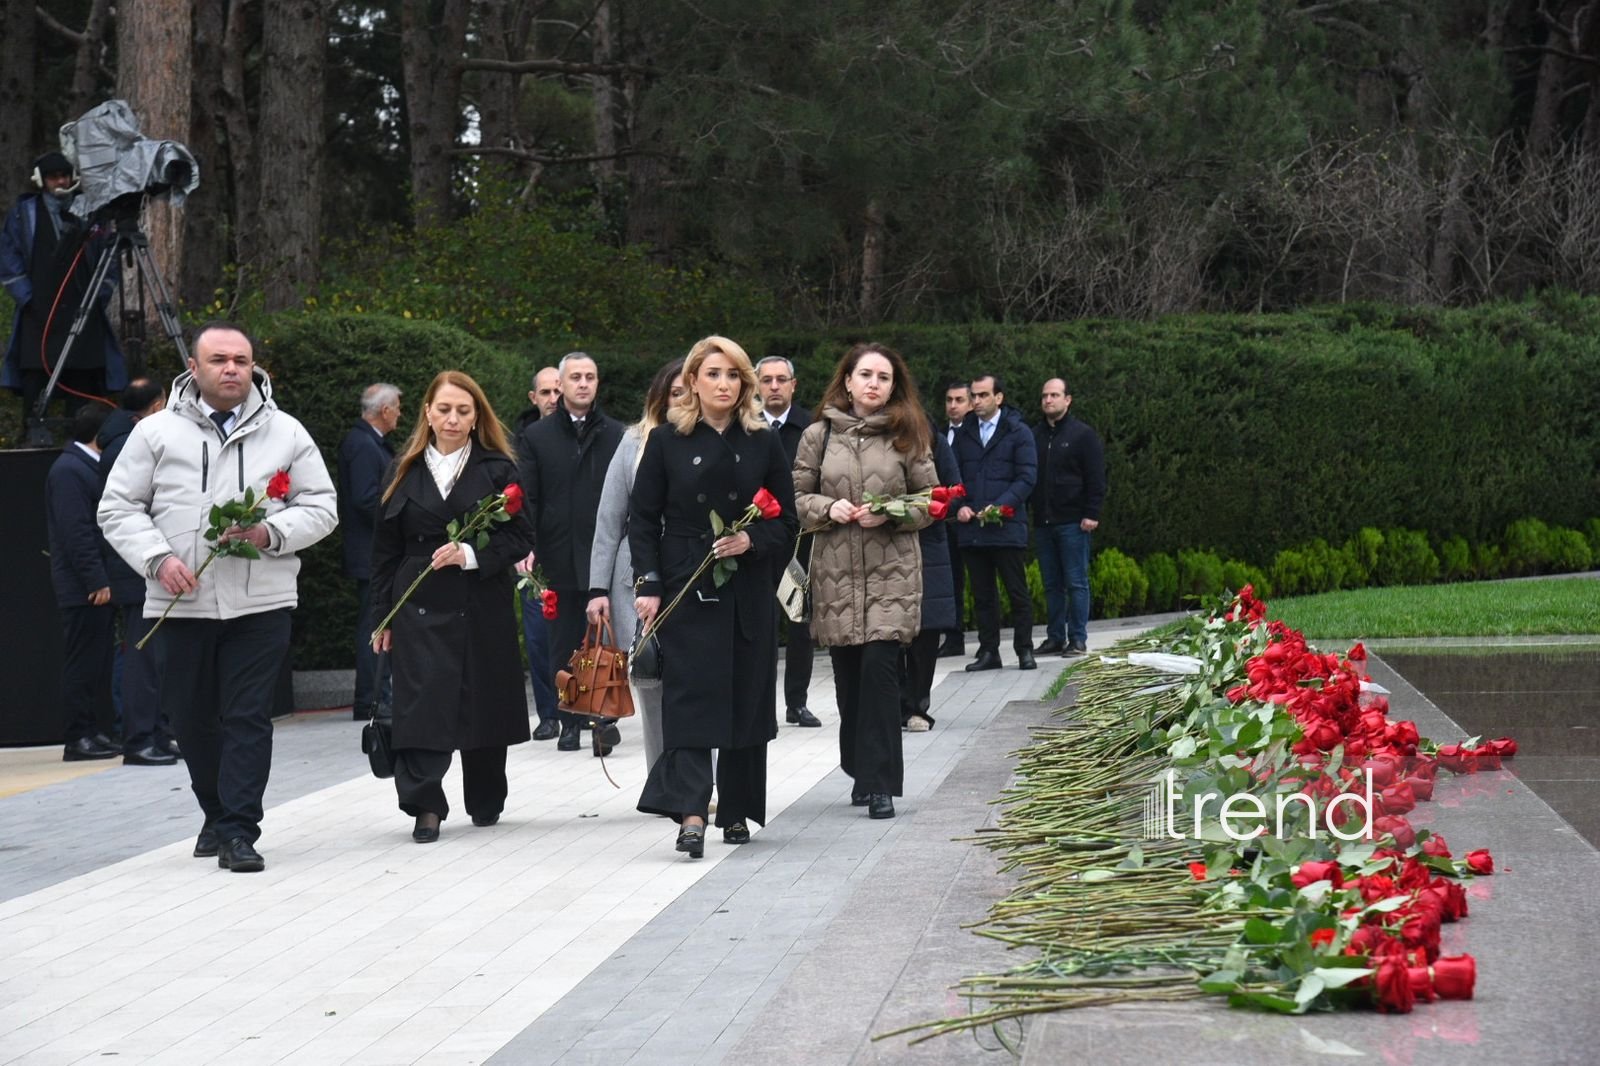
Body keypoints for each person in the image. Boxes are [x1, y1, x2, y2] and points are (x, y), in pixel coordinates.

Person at [99, 321, 338, 872]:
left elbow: (322, 507)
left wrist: (269, 533)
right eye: (219, 359)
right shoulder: (154, 432)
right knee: (190, 718)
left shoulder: (287, 432)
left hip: (262, 603)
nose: (232, 368)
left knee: (248, 716)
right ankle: (215, 811)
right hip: (180, 602)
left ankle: (238, 829)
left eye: (242, 359)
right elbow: (117, 508)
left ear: (254, 366)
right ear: (195, 368)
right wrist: (158, 560)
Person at [631, 336, 797, 857]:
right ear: (694, 381)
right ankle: (691, 812)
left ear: (744, 383)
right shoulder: (665, 441)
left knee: (746, 697)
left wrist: (752, 540)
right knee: (689, 698)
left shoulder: (763, 440)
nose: (723, 384)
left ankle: (740, 808)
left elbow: (787, 520)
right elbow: (641, 519)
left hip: (745, 583)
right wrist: (649, 584)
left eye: (732, 375)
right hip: (686, 579)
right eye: (713, 374)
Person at [369, 371, 534, 843]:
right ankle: (425, 806)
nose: (453, 419)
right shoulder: (404, 467)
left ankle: (485, 797)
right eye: (444, 409)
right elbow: (384, 551)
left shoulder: (499, 468)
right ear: (427, 412)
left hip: (480, 598)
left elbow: (522, 535)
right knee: (421, 702)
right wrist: (382, 616)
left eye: (464, 410)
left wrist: (471, 555)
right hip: (417, 599)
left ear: (477, 415)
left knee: (481, 697)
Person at [793, 343, 937, 820]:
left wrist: (893, 514)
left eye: (884, 378)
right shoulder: (817, 436)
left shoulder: (908, 435)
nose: (875, 384)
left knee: (879, 672)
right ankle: (858, 767)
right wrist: (826, 508)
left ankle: (881, 786)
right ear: (848, 381)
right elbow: (796, 497)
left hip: (891, 571)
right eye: (866, 375)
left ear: (894, 387)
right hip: (835, 573)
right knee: (849, 680)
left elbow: (931, 500)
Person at [517, 352, 624, 754]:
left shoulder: (617, 434)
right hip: (557, 554)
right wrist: (527, 546)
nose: (583, 383)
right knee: (562, 642)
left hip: (604, 556)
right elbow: (527, 496)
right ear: (560, 385)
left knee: (602, 642)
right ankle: (568, 720)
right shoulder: (537, 437)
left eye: (590, 377)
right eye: (575, 377)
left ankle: (601, 717)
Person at [587, 357, 687, 771]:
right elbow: (609, 522)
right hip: (636, 579)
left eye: (689, 391)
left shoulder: (713, 440)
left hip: (691, 569)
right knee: (651, 680)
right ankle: (661, 777)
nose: (682, 399)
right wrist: (597, 590)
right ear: (660, 395)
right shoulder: (632, 442)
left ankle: (701, 778)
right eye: (675, 391)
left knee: (695, 680)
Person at [2, 152, 127, 420]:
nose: (60, 181)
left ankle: (79, 433)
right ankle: (34, 429)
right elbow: (9, 257)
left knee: (82, 370)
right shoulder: (24, 214)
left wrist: (100, 294)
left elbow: (109, 256)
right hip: (39, 307)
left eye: (64, 176)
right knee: (34, 369)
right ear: (41, 180)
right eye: (53, 177)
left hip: (84, 303)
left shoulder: (93, 211)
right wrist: (26, 297)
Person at [97, 378, 177, 764]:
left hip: (146, 565)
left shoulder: (123, 441)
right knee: (142, 657)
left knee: (156, 657)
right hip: (138, 566)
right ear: (157, 405)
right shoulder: (128, 446)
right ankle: (140, 738)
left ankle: (157, 732)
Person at [47, 403, 120, 762]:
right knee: (82, 662)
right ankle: (78, 736)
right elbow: (77, 532)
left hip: (91, 584)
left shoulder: (83, 467)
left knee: (97, 662)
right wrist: (96, 579)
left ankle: (94, 730)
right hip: (83, 588)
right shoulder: (70, 471)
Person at [951, 373, 1037, 672]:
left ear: (998, 398)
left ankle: (1025, 650)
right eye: (973, 395)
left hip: (1006, 527)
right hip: (972, 529)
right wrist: (959, 505)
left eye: (982, 395)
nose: (976, 401)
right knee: (983, 595)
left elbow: (1027, 477)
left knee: (1017, 592)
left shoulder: (1018, 431)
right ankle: (989, 652)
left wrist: (1001, 507)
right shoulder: (963, 434)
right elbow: (953, 477)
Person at [756, 355, 821, 728]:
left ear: (793, 385)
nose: (775, 386)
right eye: (767, 380)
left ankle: (797, 702)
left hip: (799, 542)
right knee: (760, 624)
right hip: (758, 542)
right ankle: (761, 701)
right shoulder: (745, 427)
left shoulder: (810, 428)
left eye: (782, 380)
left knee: (798, 621)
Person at [1030, 377, 1107, 657]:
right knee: (1051, 584)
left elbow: (1096, 478)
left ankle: (1077, 638)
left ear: (1067, 399)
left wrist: (1091, 513)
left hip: (1073, 522)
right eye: (1044, 396)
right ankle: (1054, 637)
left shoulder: (1082, 435)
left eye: (1054, 395)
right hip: (1043, 522)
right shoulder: (1034, 436)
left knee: (1076, 582)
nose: (1048, 400)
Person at [338, 382, 401, 720]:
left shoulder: (369, 442)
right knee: (373, 625)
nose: (400, 414)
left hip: (371, 550)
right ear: (385, 410)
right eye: (397, 408)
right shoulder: (363, 444)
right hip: (369, 552)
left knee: (377, 623)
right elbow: (365, 498)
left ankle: (378, 695)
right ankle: (371, 699)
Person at [899, 422, 961, 732]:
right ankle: (894, 704)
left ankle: (917, 706)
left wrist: (927, 507)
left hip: (928, 543)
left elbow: (954, 491)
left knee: (925, 631)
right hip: (887, 543)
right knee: (890, 629)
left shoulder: (931, 437)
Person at [511, 366, 562, 740]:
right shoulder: (519, 443)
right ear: (534, 398)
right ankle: (548, 714)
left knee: (581, 635)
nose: (553, 398)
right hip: (534, 553)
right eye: (545, 392)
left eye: (557, 391)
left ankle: (591, 711)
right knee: (539, 636)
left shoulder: (588, 436)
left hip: (576, 550)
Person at [938, 381, 973, 658]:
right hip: (945, 519)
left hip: (969, 516)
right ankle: (953, 635)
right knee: (949, 581)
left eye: (959, 400)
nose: (953, 405)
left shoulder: (975, 436)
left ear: (971, 403)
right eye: (949, 400)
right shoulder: (940, 435)